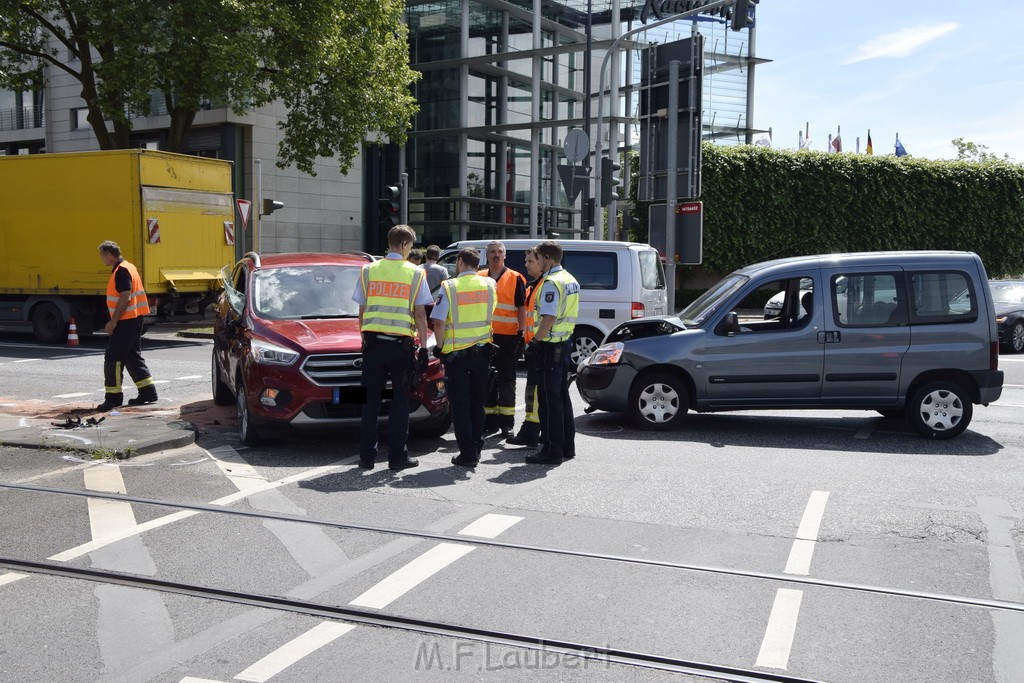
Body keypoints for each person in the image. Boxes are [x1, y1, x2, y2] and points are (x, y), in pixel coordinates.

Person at [352, 224, 432, 471]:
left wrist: (364, 338)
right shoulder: (416, 273)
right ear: (406, 244)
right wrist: (424, 347)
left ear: (389, 243)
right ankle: (397, 457)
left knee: (370, 402)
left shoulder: (368, 270)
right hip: (401, 348)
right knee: (399, 402)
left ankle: (366, 456)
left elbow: (362, 310)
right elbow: (420, 313)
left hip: (373, 345)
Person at [430, 248, 496, 467]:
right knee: (477, 403)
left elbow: (438, 322)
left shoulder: (449, 287)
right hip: (482, 353)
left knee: (460, 405)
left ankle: (467, 453)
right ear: (478, 264)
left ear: (459, 262)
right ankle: (476, 447)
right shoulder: (489, 285)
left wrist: (439, 348)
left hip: (456, 356)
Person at [524, 240, 579, 465]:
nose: (536, 263)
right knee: (561, 398)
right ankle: (567, 446)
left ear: (547, 258)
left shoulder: (551, 282)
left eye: (537, 259)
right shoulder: (570, 279)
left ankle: (551, 450)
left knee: (548, 401)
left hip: (550, 346)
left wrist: (535, 342)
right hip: (564, 344)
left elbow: (548, 317)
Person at [95, 241, 158, 411]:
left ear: (110, 255)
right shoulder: (128, 266)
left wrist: (113, 320)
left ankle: (113, 398)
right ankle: (148, 392)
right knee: (131, 355)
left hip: (126, 320)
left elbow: (125, 296)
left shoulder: (121, 270)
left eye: (102, 256)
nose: (102, 259)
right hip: (134, 318)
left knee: (113, 358)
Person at [479, 241, 527, 439]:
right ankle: (489, 422)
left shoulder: (515, 278)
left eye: (499, 252)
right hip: (484, 337)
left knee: (507, 381)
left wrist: (521, 334)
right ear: (487, 256)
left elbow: (522, 307)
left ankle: (507, 424)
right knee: (487, 380)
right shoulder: (479, 277)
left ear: (505, 256)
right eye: (492, 252)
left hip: (508, 338)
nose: (496, 255)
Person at [506, 247, 543, 447]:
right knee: (532, 390)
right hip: (533, 344)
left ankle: (531, 430)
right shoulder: (532, 287)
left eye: (530, 261)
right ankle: (531, 429)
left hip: (540, 346)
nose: (526, 265)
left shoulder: (542, 286)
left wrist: (534, 342)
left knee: (535, 391)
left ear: (541, 261)